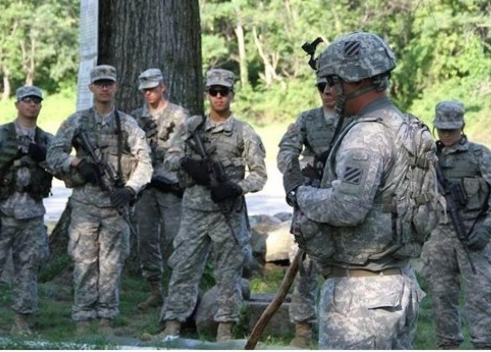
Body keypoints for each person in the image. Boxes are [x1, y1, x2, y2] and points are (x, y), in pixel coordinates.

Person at [285, 31, 434, 349]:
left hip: (361, 299)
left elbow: (346, 207)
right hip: (396, 284)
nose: (328, 91)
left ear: (353, 81)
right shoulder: (405, 126)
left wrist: (301, 195)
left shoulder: (365, 136)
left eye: (332, 82)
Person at [158, 68, 267, 342]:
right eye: (214, 92)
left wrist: (234, 188)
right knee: (184, 266)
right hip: (195, 211)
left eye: (224, 92)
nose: (219, 97)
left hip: (227, 213)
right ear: (207, 94)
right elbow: (170, 155)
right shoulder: (192, 127)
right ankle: (172, 324)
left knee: (228, 273)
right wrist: (186, 164)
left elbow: (259, 175)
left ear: (232, 95)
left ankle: (225, 329)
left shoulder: (243, 132)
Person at [46, 64, 152, 336]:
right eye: (100, 83)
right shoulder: (76, 122)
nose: (105, 88)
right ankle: (82, 317)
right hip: (84, 205)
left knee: (112, 264)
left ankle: (106, 318)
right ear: (91, 88)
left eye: (109, 83)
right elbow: (52, 156)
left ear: (116, 87)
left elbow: (145, 162)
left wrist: (130, 190)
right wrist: (76, 162)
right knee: (83, 261)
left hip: (115, 205)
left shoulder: (127, 123)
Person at [422, 101, 491, 349]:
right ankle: (448, 345)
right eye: (442, 130)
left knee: (481, 298)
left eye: (452, 130)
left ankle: (485, 345)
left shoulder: (480, 156)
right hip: (438, 239)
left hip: (473, 235)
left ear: (462, 126)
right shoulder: (429, 158)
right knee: (441, 299)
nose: (447, 135)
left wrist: (487, 229)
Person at [0, 85, 53, 335]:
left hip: (33, 215)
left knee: (28, 268)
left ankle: (21, 322)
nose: (32, 105)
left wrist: (43, 156)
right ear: (17, 104)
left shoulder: (46, 140)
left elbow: (62, 169)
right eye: (27, 100)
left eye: (37, 101)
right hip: (2, 214)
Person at [276, 73, 351, 347]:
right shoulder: (308, 119)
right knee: (304, 265)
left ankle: (343, 328)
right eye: (321, 86)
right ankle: (303, 330)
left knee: (344, 266)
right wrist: (293, 178)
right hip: (310, 199)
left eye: (331, 86)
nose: (326, 91)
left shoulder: (354, 120)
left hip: (343, 201)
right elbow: (287, 150)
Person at [130, 68, 189, 311]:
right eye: (145, 89)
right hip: (145, 187)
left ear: (163, 87)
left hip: (171, 187)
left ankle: (180, 290)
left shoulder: (178, 115)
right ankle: (155, 290)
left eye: (153, 88)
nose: (149, 93)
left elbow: (188, 148)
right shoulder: (134, 118)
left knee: (177, 237)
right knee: (145, 240)